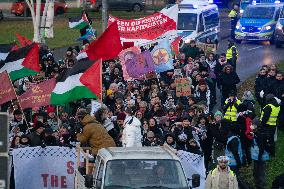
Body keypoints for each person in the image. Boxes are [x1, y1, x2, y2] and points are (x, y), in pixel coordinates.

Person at [250, 118, 270, 189]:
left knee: (260, 173)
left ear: (257, 126)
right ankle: (258, 184)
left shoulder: (259, 135)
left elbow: (261, 148)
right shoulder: (256, 133)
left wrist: (259, 158)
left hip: (260, 157)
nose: (251, 125)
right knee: (256, 173)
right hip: (256, 157)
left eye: (253, 124)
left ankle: (261, 186)